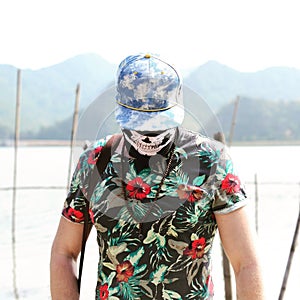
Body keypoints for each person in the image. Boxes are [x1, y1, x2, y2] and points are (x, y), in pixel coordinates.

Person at [50, 53, 265, 299]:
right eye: (140, 122)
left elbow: (246, 263)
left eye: (158, 122)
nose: (149, 134)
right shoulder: (94, 162)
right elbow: (64, 252)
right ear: (120, 109)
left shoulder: (211, 161)